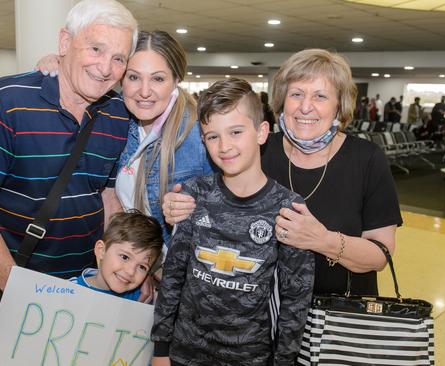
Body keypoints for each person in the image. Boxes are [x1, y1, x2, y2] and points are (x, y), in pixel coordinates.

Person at [163, 48, 401, 298]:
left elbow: (380, 255)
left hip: (337, 317)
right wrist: (180, 204)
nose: (305, 107)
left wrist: (321, 240)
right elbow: (215, 202)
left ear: (339, 106)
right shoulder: (258, 149)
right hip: (265, 316)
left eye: (320, 96)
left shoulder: (366, 159)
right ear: (282, 100)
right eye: (296, 94)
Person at [0, 0, 139, 296]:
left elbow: (108, 195)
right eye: (96, 49)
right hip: (12, 278)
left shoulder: (118, 113)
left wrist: (116, 272)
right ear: (65, 41)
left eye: (119, 58)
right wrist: (19, 295)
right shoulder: (6, 100)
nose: (105, 69)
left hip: (87, 283)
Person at [151, 79, 314, 366]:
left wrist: (284, 361)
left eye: (236, 132)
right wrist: (161, 349)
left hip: (250, 356)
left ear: (261, 132)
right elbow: (174, 277)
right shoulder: (194, 194)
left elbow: (295, 299)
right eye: (212, 136)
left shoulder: (288, 209)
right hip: (184, 353)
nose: (224, 146)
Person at [37, 30, 215, 249]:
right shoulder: (113, 120)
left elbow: (233, 210)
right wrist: (58, 64)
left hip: (185, 272)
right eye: (133, 77)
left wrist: (196, 209)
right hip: (134, 265)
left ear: (176, 80)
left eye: (158, 78)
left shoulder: (199, 136)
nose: (144, 91)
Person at [0, 210, 164, 366]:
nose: (130, 271)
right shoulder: (64, 295)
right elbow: (28, 346)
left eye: (142, 267)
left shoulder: (144, 302)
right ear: (101, 250)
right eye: (124, 256)